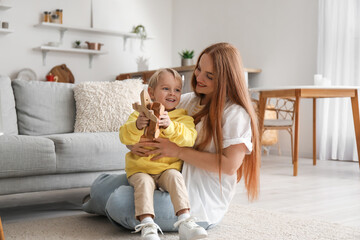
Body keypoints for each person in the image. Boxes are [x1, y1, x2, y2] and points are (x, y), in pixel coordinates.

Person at [83, 42, 260, 236]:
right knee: (100, 186)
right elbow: (141, 123)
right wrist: (133, 144)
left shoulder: (235, 114)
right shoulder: (187, 100)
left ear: (226, 80)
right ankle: (100, 202)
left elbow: (229, 166)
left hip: (195, 198)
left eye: (209, 76)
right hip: (158, 173)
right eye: (199, 69)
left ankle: (107, 207)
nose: (199, 78)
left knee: (118, 201)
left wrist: (178, 151)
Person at [119, 68, 207, 240]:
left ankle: (185, 222)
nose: (172, 93)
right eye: (166, 88)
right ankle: (147, 225)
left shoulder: (183, 117)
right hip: (140, 170)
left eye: (177, 89)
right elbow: (124, 136)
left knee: (175, 176)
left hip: (167, 169)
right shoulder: (139, 114)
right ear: (151, 92)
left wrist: (170, 126)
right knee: (144, 183)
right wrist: (137, 126)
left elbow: (189, 139)